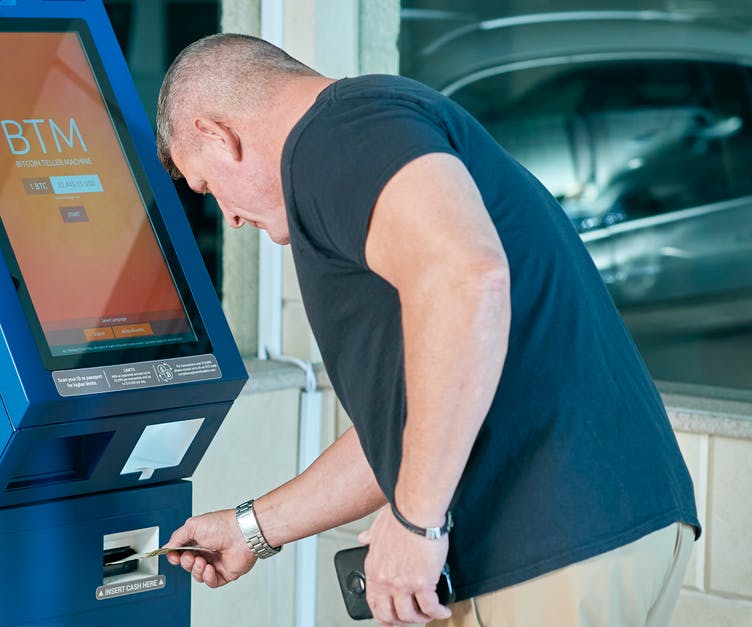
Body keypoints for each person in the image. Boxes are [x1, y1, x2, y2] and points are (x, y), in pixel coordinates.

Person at [156, 33, 700, 627]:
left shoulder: (337, 136)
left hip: (543, 549)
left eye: (207, 188)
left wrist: (416, 523)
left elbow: (469, 278)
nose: (229, 219)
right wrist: (250, 530)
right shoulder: (379, 125)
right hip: (609, 531)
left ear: (217, 134)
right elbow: (416, 427)